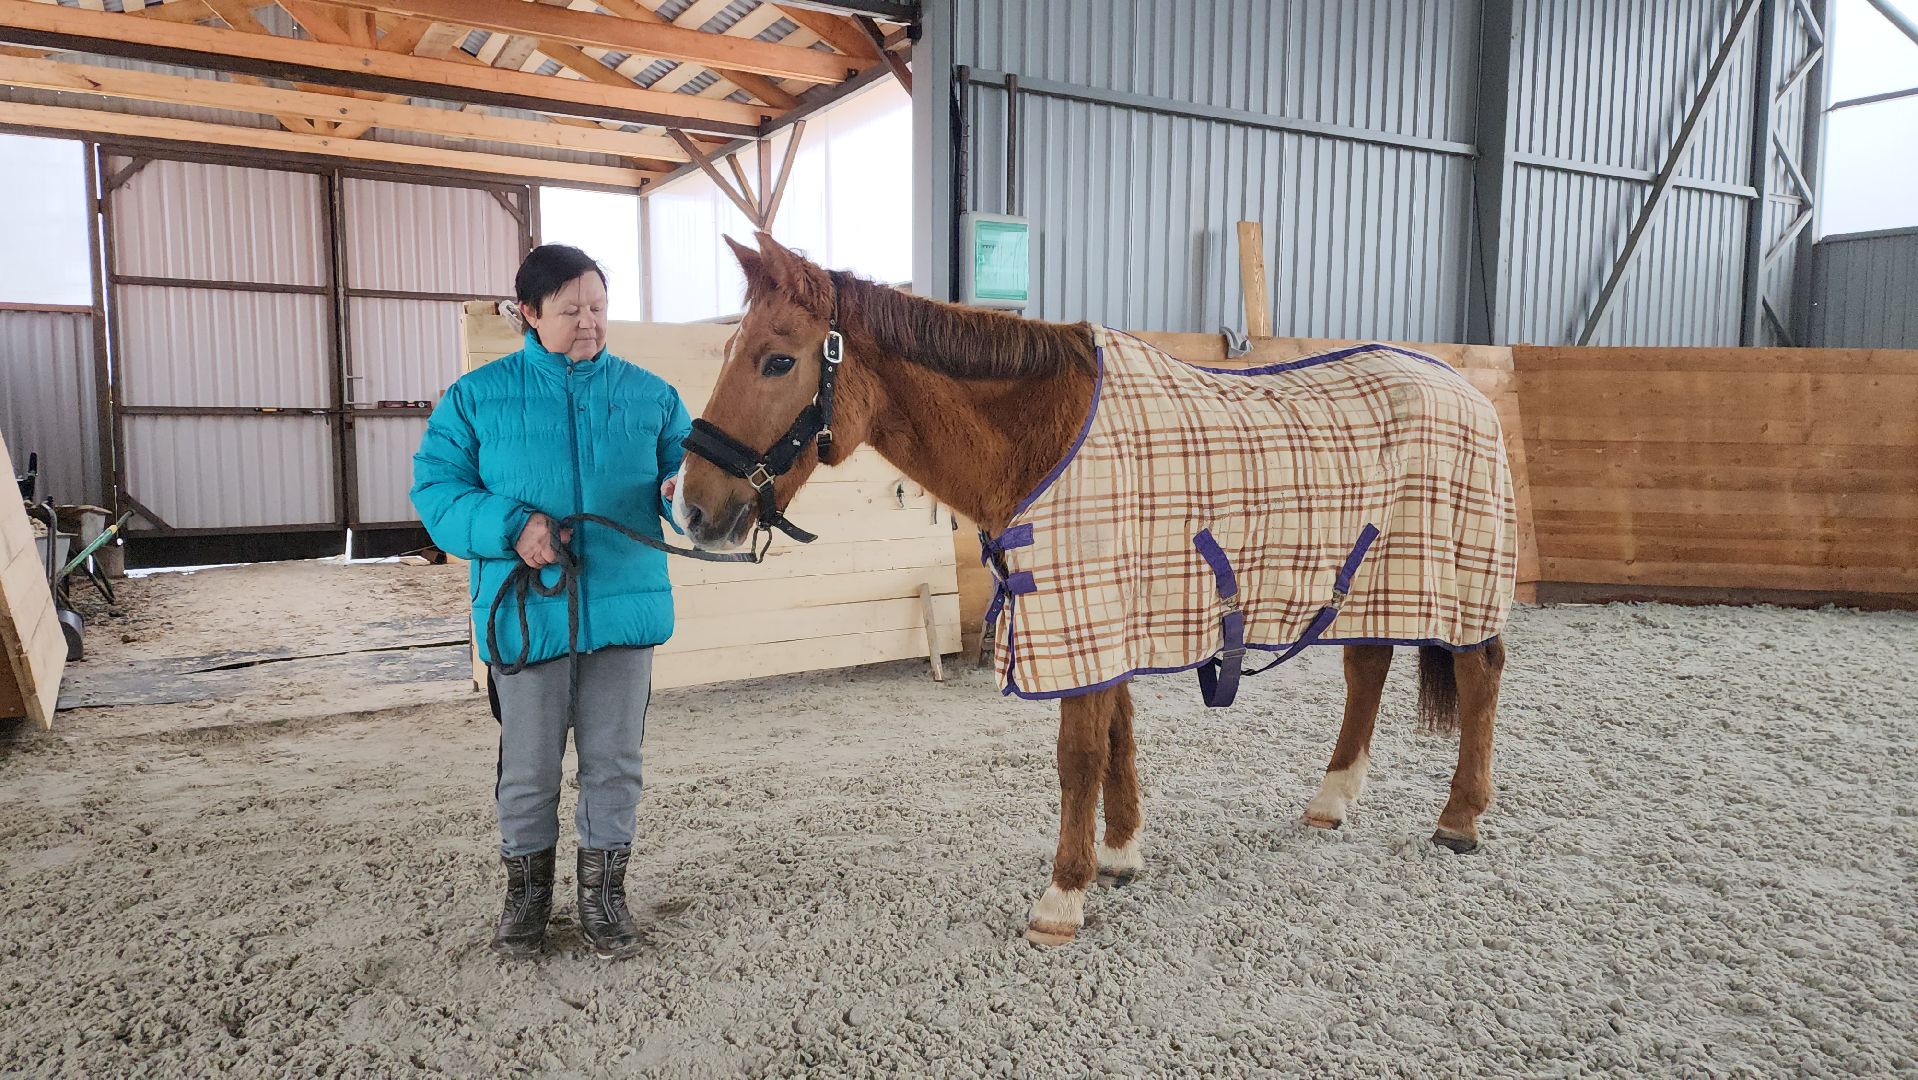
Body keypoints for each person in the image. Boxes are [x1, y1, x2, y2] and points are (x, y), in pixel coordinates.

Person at [410, 244, 688, 960]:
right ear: (529, 314)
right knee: (529, 768)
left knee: (614, 762)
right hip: (526, 611)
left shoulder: (652, 396)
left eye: (598, 307)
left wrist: (685, 496)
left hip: (623, 609)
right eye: (570, 310)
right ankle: (526, 902)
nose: (589, 322)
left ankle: (603, 900)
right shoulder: (476, 397)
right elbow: (437, 493)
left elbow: (692, 488)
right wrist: (513, 527)